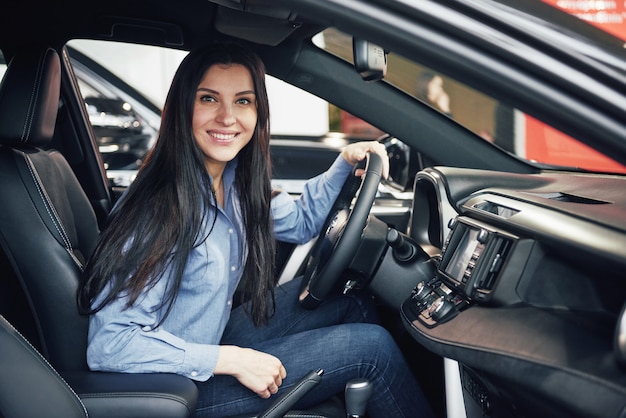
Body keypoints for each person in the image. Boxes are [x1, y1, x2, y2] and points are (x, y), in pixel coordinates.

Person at [77, 42, 434, 418]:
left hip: (210, 341)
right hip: (175, 387)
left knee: (351, 300)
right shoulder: (158, 208)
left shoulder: (233, 181)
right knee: (373, 350)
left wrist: (344, 163)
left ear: (258, 110)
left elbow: (300, 223)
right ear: (184, 108)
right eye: (209, 99)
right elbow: (110, 345)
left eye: (243, 101)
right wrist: (231, 359)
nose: (228, 117)